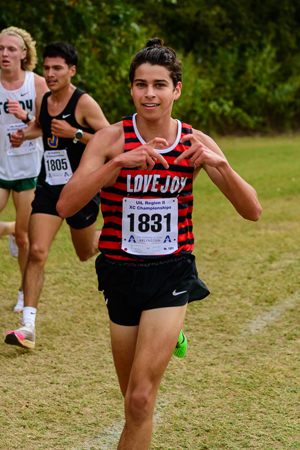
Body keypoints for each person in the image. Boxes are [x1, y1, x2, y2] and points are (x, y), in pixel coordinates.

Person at [58, 38, 261, 449]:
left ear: (177, 89)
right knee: (135, 406)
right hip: (119, 271)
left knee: (139, 397)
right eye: (140, 84)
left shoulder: (194, 142)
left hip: (172, 271)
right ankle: (167, 339)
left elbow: (252, 210)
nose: (149, 93)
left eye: (160, 85)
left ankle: (168, 329)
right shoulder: (111, 140)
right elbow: (66, 204)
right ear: (131, 89)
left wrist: (220, 165)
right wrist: (116, 164)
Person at [5, 41, 109, 349]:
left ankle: (113, 236)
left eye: (57, 68)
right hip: (49, 186)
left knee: (84, 251)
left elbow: (111, 140)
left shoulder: (84, 103)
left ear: (71, 70)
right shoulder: (44, 99)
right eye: (47, 68)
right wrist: (26, 133)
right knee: (37, 251)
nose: (50, 74)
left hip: (81, 188)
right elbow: (42, 124)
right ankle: (28, 326)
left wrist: (75, 134)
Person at [0, 26, 48, 311]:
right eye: (1, 49)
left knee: (24, 237)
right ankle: (8, 228)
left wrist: (27, 115)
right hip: (1, 166)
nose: (4, 54)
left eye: (10, 49)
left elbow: (50, 125)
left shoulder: (37, 84)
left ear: (24, 54)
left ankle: (22, 289)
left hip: (29, 169)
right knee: (18, 232)